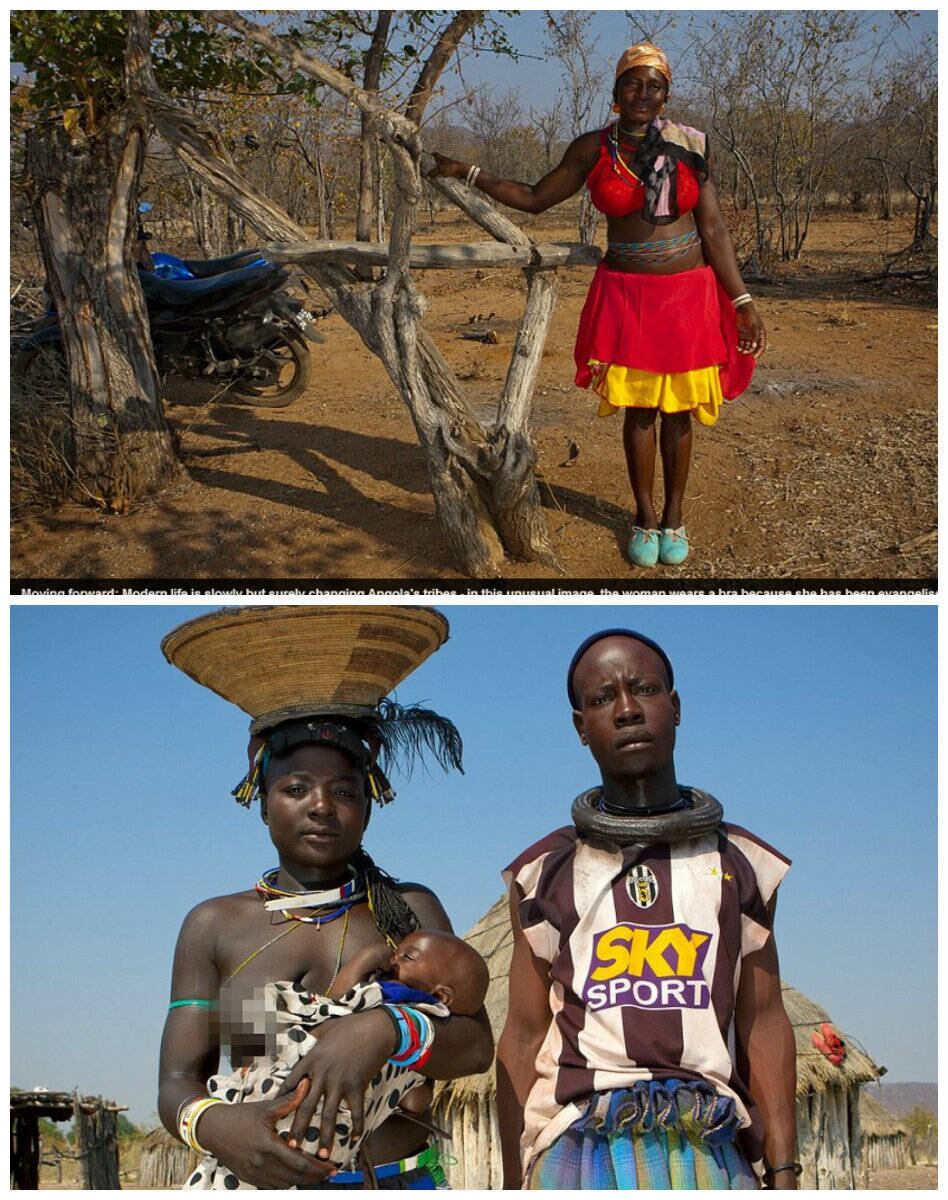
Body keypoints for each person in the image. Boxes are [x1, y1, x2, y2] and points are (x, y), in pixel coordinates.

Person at [158, 606, 493, 1190]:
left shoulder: (408, 911)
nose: (321, 806)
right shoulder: (214, 925)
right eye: (295, 788)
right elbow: (177, 1081)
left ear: (368, 803)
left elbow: (475, 1045)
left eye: (344, 790)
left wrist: (384, 1030)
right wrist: (217, 1127)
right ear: (261, 801)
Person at [429, 43, 766, 569]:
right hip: (628, 295)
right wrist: (467, 171)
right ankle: (645, 517)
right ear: (615, 92)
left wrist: (741, 300)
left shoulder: (690, 145)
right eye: (633, 83)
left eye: (654, 85)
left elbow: (714, 227)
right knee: (639, 411)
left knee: (679, 415)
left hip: (688, 296)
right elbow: (536, 197)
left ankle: (675, 518)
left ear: (666, 95)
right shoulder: (593, 149)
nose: (643, 94)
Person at [495, 630, 798, 1190]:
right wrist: (515, 1181)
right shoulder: (545, 871)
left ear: (675, 707)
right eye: (602, 698)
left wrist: (783, 1167)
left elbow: (764, 1018)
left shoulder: (742, 862)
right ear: (580, 727)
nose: (628, 710)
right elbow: (523, 1031)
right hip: (576, 1142)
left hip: (707, 1141)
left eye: (644, 689)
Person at [186, 930, 490, 1189]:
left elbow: (479, 1054)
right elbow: (334, 1007)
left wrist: (382, 1026)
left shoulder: (411, 1009)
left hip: (387, 1175)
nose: (393, 959)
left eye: (406, 958)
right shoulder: (214, 923)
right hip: (267, 1118)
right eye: (395, 953)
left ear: (443, 994)